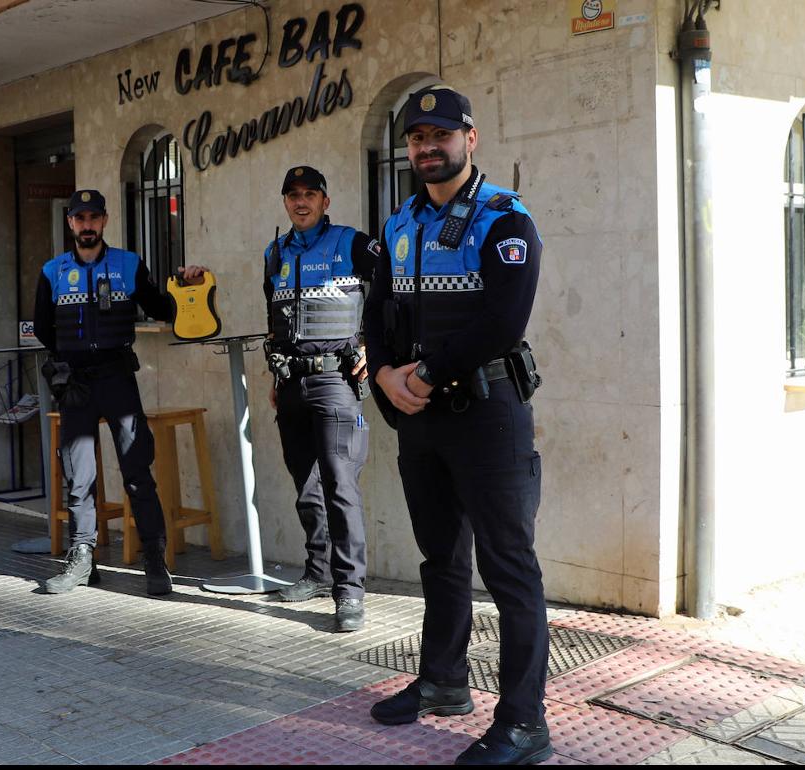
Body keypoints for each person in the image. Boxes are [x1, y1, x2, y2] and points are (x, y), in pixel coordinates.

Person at [361, 84, 550, 765]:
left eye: (441, 136)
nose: (428, 148)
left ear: (470, 140)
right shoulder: (400, 225)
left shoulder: (505, 220)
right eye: (417, 138)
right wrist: (384, 375)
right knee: (441, 559)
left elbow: (503, 323)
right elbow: (376, 313)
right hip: (421, 417)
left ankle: (525, 725)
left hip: (488, 416)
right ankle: (443, 681)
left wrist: (422, 374)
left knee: (509, 569)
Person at [33, 189, 209, 596]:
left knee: (136, 473)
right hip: (76, 383)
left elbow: (163, 308)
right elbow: (44, 327)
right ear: (70, 224)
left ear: (105, 221)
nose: (87, 225)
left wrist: (186, 283)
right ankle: (81, 557)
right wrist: (64, 363)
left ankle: (154, 558)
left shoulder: (128, 264)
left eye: (94, 218)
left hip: (117, 379)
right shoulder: (52, 271)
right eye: (80, 219)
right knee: (79, 476)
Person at [262, 165, 379, 632]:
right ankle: (317, 572)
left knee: (340, 486)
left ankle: (349, 592)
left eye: (310, 194)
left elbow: (392, 289)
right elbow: (273, 317)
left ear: (326, 201)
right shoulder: (275, 252)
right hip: (290, 384)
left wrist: (375, 347)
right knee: (306, 486)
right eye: (292, 195)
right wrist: (271, 376)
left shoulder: (352, 243)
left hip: (335, 381)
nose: (301, 202)